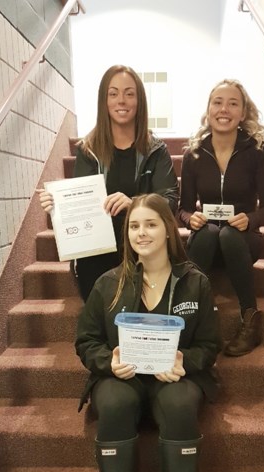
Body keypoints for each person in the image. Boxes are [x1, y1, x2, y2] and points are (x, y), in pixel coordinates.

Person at [76, 193, 219, 472]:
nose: (142, 233)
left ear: (168, 230)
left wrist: (185, 362)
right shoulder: (109, 283)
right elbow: (85, 342)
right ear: (127, 233)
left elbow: (210, 346)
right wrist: (108, 362)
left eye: (151, 225)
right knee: (114, 403)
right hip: (123, 379)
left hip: (173, 381)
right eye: (134, 226)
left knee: (179, 405)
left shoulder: (195, 282)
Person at [38, 65, 179, 301]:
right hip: (99, 244)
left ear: (139, 100)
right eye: (113, 94)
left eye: (129, 93)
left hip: (142, 240)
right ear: (104, 101)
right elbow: (81, 201)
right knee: (95, 275)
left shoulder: (155, 149)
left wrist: (133, 204)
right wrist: (58, 203)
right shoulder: (88, 149)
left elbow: (170, 200)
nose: (121, 101)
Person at [177, 79, 264, 357]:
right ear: (208, 110)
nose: (224, 109)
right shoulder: (194, 154)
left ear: (243, 113)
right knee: (210, 233)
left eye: (233, 103)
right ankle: (191, 320)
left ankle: (250, 320)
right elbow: (182, 208)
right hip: (205, 240)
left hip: (243, 242)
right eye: (218, 102)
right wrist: (190, 219)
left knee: (229, 235)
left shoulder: (258, 151)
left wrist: (251, 219)